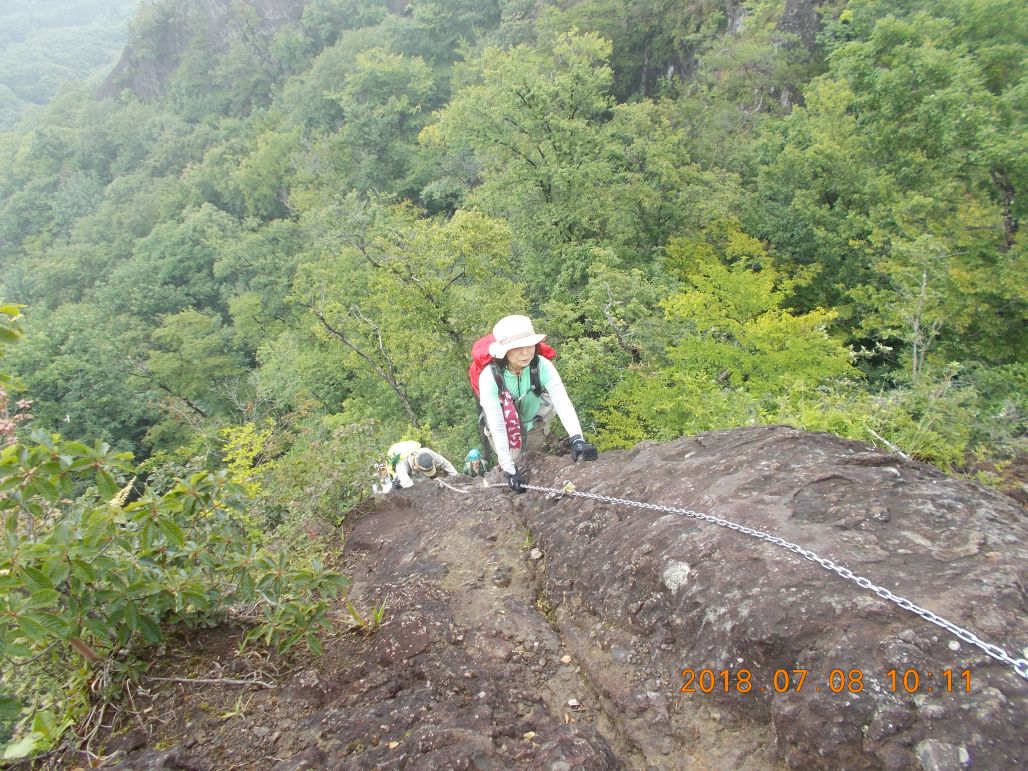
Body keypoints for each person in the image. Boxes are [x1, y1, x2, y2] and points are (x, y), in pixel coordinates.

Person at [478, 315, 598, 493]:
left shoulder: (542, 366)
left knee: (528, 460)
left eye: (529, 345)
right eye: (517, 348)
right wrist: (508, 467)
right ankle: (503, 473)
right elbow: (496, 422)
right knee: (512, 463)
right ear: (504, 351)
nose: (526, 352)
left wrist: (577, 438)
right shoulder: (490, 376)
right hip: (505, 428)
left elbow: (561, 400)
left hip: (534, 424)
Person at [393, 447, 458, 488]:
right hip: (403, 482)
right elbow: (410, 488)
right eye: (426, 471)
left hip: (421, 476)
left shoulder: (428, 452)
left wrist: (458, 478)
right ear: (417, 467)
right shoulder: (401, 467)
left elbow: (446, 464)